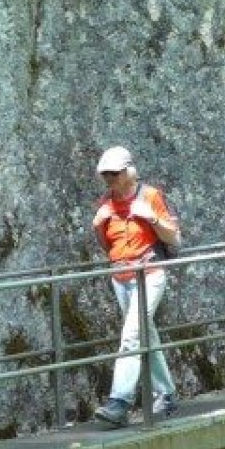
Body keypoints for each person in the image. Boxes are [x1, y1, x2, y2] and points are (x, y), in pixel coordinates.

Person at [91, 146, 183, 429]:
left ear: (129, 172)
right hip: (120, 276)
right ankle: (167, 394)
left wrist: (151, 218)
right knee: (146, 336)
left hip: (149, 273)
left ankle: (119, 402)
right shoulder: (105, 202)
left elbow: (175, 238)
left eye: (115, 174)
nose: (110, 180)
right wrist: (98, 225)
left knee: (131, 336)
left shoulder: (149, 196)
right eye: (106, 175)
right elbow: (108, 245)